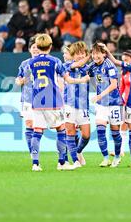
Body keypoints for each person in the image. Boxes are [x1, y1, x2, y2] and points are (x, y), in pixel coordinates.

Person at [16, 34, 89, 171]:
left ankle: (35, 164)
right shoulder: (55, 61)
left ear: (37, 46)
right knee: (61, 130)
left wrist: (21, 80)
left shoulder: (30, 63)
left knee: (37, 132)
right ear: (50, 47)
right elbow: (68, 79)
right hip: (53, 101)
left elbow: (22, 80)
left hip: (36, 102)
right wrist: (82, 80)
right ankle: (62, 163)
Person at [86, 42, 123, 167]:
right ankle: (106, 158)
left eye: (97, 53)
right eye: (93, 53)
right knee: (100, 131)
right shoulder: (92, 66)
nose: (95, 56)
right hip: (101, 104)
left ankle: (117, 157)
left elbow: (114, 85)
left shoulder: (109, 65)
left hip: (114, 103)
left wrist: (99, 95)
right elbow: (86, 75)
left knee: (115, 132)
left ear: (103, 54)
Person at [63, 41, 92, 168]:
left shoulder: (88, 68)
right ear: (73, 56)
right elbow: (80, 63)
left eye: (83, 53)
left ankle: (78, 151)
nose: (81, 56)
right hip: (69, 103)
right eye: (78, 54)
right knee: (70, 132)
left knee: (86, 135)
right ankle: (74, 160)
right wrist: (90, 55)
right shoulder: (68, 65)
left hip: (83, 105)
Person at [15, 35, 39, 154]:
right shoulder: (24, 64)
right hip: (27, 98)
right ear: (30, 49)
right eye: (33, 47)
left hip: (43, 100)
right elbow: (18, 79)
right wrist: (19, 81)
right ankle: (33, 153)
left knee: (39, 127)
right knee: (29, 124)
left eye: (37, 47)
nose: (35, 49)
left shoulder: (45, 62)